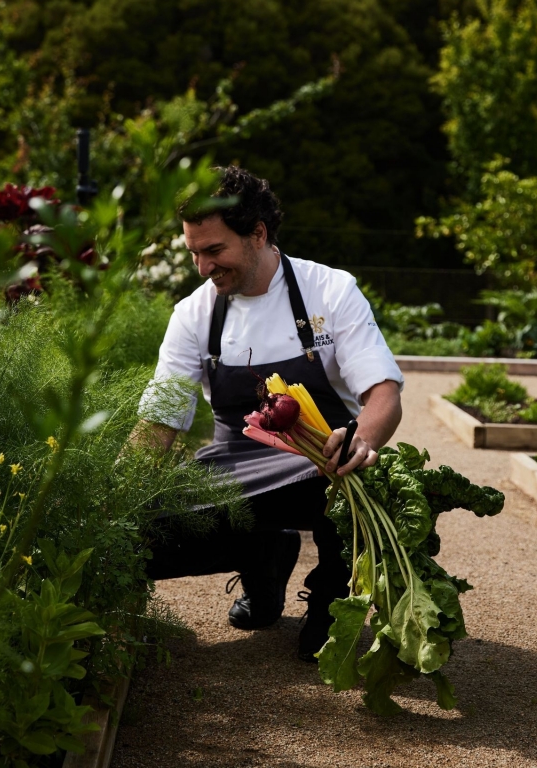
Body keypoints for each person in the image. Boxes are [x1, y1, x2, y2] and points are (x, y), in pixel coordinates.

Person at [134, 166, 403, 661]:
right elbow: (160, 421)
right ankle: (264, 557)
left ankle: (330, 600)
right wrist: (116, 497)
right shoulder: (194, 314)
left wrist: (361, 441)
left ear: (258, 234)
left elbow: (383, 392)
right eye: (194, 252)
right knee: (146, 536)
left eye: (214, 251)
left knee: (354, 492)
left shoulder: (330, 291)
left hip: (321, 462)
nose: (202, 267)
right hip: (233, 464)